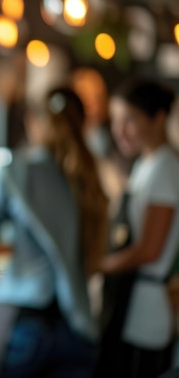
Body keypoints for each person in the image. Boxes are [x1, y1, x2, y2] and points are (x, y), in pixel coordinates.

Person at [0, 87, 109, 378]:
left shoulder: (16, 171)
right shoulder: (91, 181)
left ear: (34, 121)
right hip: (79, 325)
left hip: (25, 320)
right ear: (83, 124)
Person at [95, 79, 179, 378]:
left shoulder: (165, 169)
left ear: (158, 119)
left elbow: (149, 249)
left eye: (129, 120)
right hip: (134, 301)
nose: (119, 131)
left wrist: (99, 266)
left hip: (147, 308)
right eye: (115, 120)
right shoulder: (146, 164)